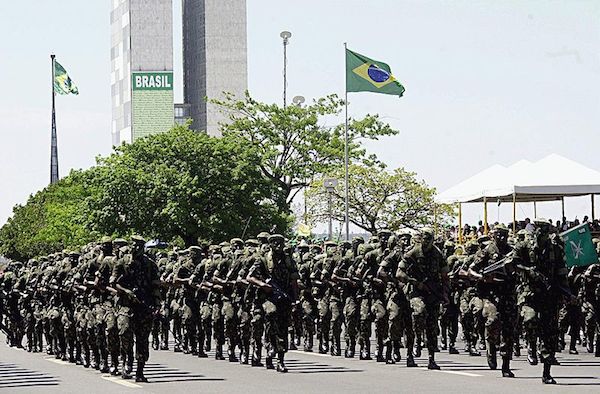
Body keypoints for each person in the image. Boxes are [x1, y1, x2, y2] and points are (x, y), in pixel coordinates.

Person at [468, 224, 516, 378]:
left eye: (504, 234)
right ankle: (491, 348)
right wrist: (482, 277)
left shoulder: (512, 251)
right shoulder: (487, 250)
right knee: (493, 321)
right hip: (491, 293)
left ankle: (506, 364)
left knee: (509, 329)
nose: (501, 237)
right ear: (493, 235)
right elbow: (470, 270)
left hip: (508, 293)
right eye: (498, 234)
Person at [397, 227, 448, 370]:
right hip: (416, 292)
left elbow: (444, 276)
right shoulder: (412, 252)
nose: (425, 242)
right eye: (423, 239)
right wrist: (415, 282)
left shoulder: (438, 254)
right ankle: (412, 349)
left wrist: (444, 293)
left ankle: (431, 358)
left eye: (428, 239)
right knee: (419, 313)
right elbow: (399, 273)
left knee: (432, 325)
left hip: (433, 293)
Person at [247, 234, 299, 372]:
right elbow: (250, 277)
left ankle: (279, 359)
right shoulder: (263, 260)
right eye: (275, 243)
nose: (279, 245)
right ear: (270, 244)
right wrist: (263, 284)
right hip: (267, 298)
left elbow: (294, 281)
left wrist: (296, 299)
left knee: (283, 328)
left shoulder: (289, 261)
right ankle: (269, 345)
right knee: (271, 313)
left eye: (281, 242)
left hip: (285, 298)